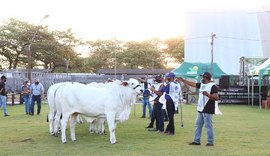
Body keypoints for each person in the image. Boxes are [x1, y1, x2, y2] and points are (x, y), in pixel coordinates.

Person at [178, 72, 219, 146]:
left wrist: (208, 95)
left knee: (208, 126)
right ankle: (196, 141)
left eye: (203, 77)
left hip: (208, 108)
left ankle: (210, 142)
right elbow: (192, 84)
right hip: (200, 108)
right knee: (198, 125)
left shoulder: (213, 86)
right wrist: (183, 80)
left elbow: (216, 98)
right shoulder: (201, 84)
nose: (201, 78)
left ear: (206, 78)